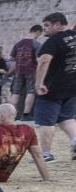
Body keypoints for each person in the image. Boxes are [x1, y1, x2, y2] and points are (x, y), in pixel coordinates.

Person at [33, 11, 76, 160]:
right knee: (67, 118)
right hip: (72, 86)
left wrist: (39, 83)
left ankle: (46, 154)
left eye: (47, 25)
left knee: (46, 121)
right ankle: (75, 142)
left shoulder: (54, 41)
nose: (44, 29)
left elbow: (44, 60)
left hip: (53, 87)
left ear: (57, 25)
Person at [0, 105, 50, 183]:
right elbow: (37, 155)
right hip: (2, 177)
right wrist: (46, 179)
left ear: (2, 117)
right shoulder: (28, 130)